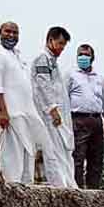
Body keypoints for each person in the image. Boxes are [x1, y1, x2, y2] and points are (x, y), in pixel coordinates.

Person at [0, 22, 46, 184]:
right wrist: (3, 112)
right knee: (12, 158)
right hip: (11, 114)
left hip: (26, 114)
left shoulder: (17, 54)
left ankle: (25, 191)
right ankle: (10, 189)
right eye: (8, 31)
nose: (11, 35)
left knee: (28, 155)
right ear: (0, 32)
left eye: (15, 32)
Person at [31, 26, 77, 188]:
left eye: (64, 45)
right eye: (60, 43)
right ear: (50, 40)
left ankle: (68, 182)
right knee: (53, 150)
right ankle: (59, 184)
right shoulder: (42, 59)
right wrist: (52, 109)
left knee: (64, 149)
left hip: (60, 113)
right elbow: (44, 87)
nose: (62, 48)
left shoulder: (53, 62)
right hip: (51, 114)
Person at [68, 44, 104, 189]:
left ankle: (94, 190)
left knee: (96, 157)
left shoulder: (99, 78)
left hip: (96, 120)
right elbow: (64, 98)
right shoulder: (70, 75)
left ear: (92, 57)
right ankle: (77, 189)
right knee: (78, 156)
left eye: (86, 55)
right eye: (80, 54)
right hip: (78, 119)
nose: (83, 57)